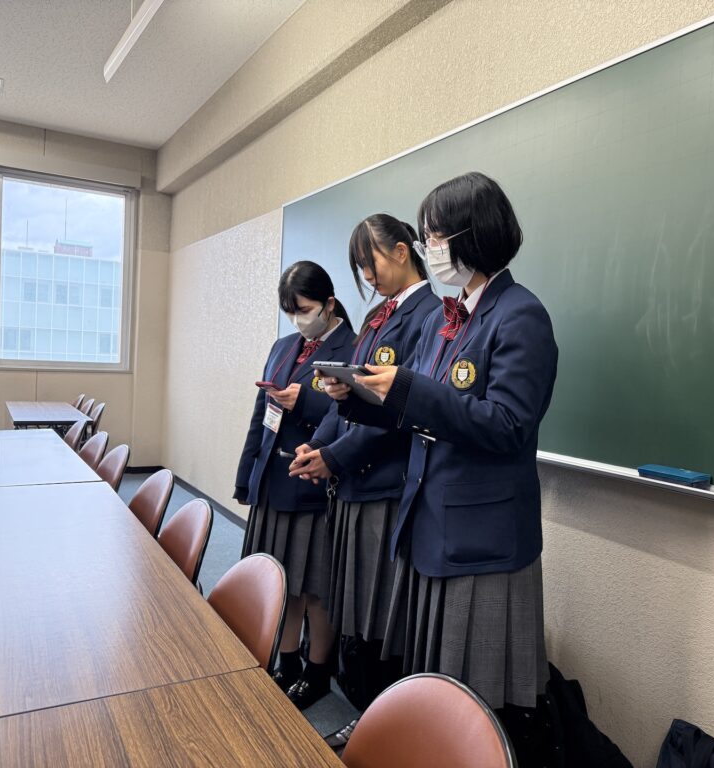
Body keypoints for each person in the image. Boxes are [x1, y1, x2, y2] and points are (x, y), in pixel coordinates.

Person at [322, 172, 558, 760]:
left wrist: (407, 389)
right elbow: (416, 408)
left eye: (433, 235)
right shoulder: (445, 317)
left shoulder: (520, 315)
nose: (428, 246)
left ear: (471, 235)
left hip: (482, 536)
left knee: (474, 693)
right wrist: (357, 397)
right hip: (429, 520)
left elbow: (507, 425)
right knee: (432, 672)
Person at [290, 213, 440, 748]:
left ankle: (380, 724)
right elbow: (347, 395)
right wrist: (320, 445)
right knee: (353, 606)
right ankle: (364, 709)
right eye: (359, 267)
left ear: (401, 251)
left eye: (369, 262)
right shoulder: (378, 317)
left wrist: (336, 457)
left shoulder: (431, 316)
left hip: (386, 486)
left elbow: (399, 415)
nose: (367, 276)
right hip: (353, 481)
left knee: (381, 615)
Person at [234, 260, 354, 710]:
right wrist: (247, 474)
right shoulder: (284, 346)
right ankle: (286, 662)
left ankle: (318, 671)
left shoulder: (353, 347)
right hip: (273, 479)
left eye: (303, 310)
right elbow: (260, 415)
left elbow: (351, 415)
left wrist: (305, 400)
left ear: (328, 303)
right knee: (279, 579)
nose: (297, 320)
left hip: (313, 485)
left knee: (313, 587)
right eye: (290, 312)